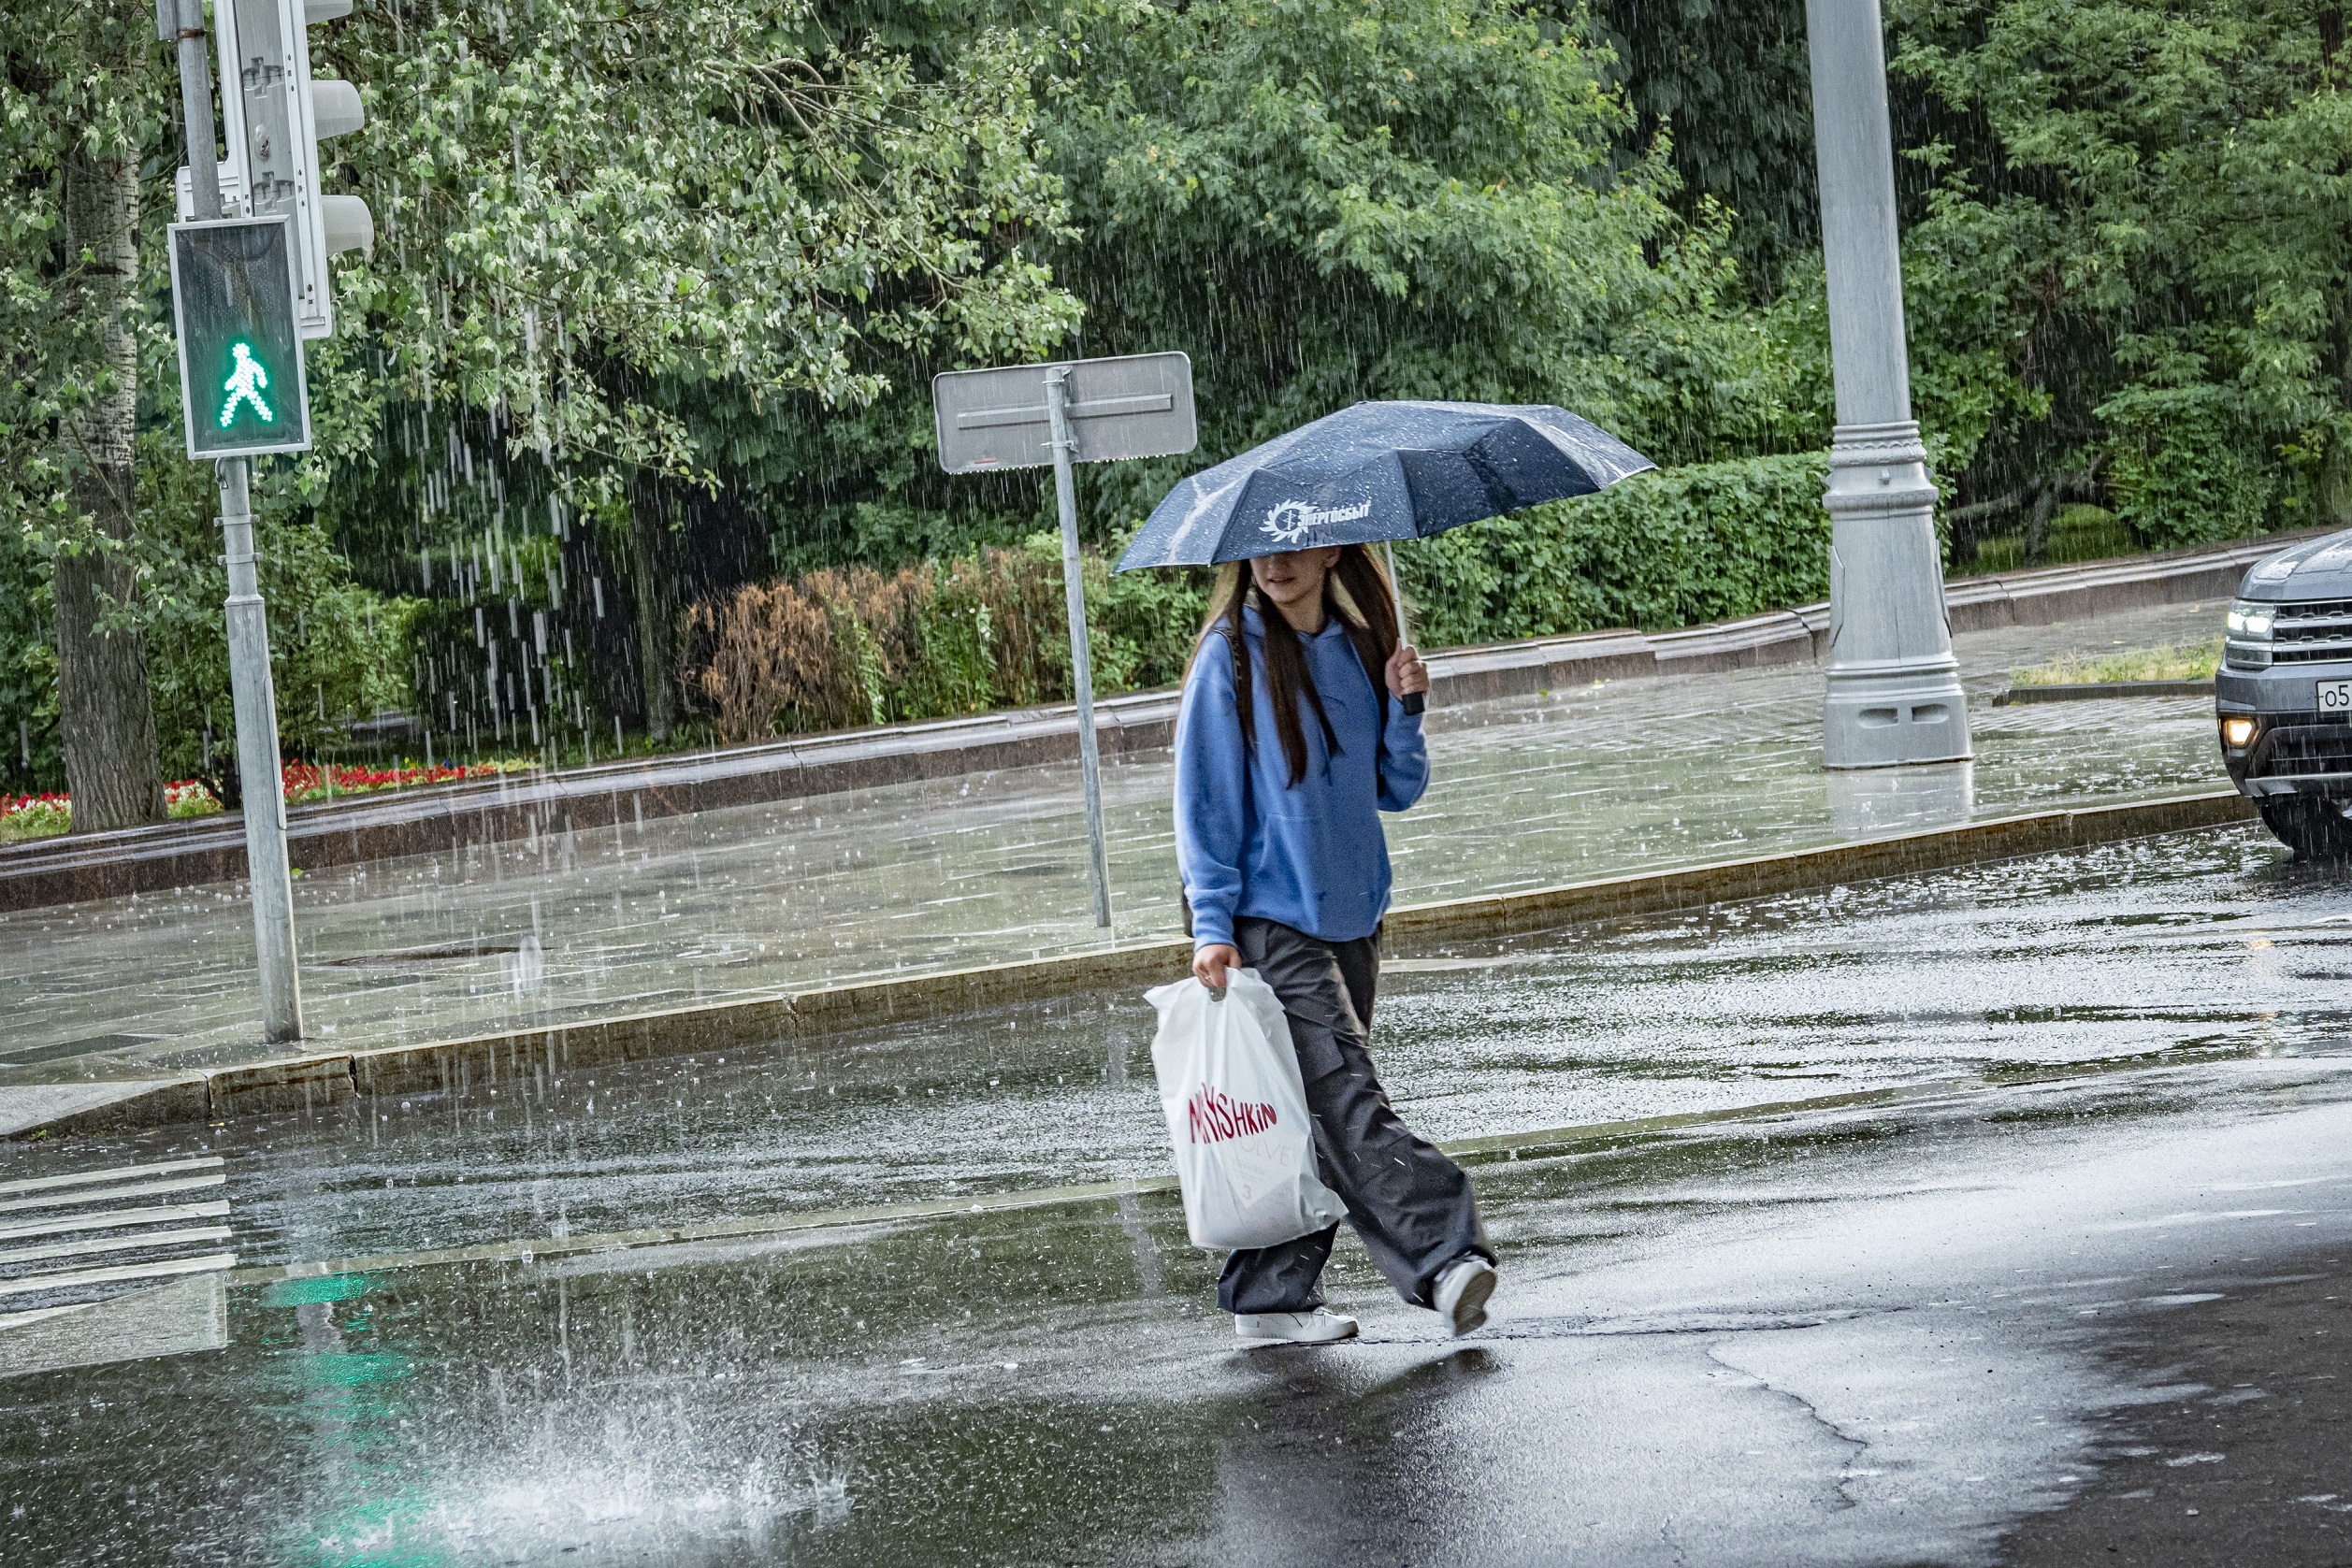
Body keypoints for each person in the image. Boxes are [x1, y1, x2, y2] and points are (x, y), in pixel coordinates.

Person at [1174, 540, 1496, 1345]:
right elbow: (1203, 802)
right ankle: (1445, 1252)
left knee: (1312, 1108)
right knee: (1348, 1095)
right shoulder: (1230, 660)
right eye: (1259, 548)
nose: (1274, 562)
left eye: (1292, 546)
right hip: (1268, 923)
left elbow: (1397, 787)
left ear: (1331, 550)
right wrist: (1211, 926)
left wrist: (1406, 706)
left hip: (1353, 913)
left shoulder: (1357, 650)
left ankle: (1270, 1297)